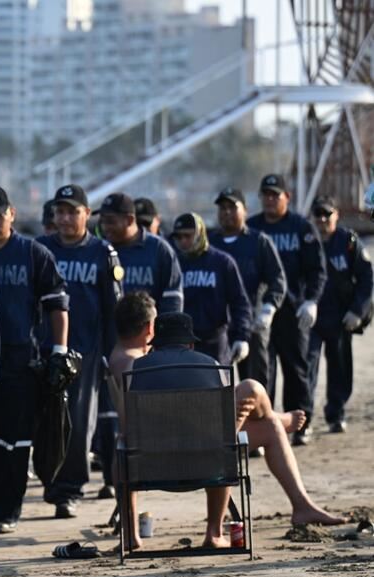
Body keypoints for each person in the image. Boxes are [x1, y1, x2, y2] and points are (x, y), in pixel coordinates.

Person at [115, 308, 343, 550]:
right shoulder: (211, 367)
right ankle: (214, 533)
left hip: (150, 467)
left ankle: (130, 535)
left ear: (156, 344)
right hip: (209, 465)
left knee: (122, 447)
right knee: (257, 428)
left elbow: (127, 428)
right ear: (191, 345)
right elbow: (224, 425)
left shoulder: (136, 371)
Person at [0, 185, 70, 533]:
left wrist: (58, 351)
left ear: (12, 214)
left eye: (0, 216)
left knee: (13, 441)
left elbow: (58, 305)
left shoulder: (33, 253)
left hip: (20, 361)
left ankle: (6, 511)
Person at [37, 184, 122, 518]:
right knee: (42, 425)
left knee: (76, 427)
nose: (66, 218)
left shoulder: (102, 252)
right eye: (60, 211)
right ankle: (47, 482)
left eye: (73, 211)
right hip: (44, 351)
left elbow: (113, 308)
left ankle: (68, 491)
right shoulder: (41, 248)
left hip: (84, 354)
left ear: (87, 215)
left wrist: (111, 353)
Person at [95, 192, 182, 497]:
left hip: (147, 346)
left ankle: (153, 471)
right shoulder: (101, 249)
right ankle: (110, 478)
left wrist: (164, 348)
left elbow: (172, 305)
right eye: (102, 220)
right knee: (108, 415)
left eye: (110, 221)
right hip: (109, 345)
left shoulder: (159, 250)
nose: (104, 226)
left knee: (147, 417)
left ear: (130, 220)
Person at [246, 174, 326, 445]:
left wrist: (312, 300)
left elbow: (317, 270)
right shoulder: (252, 228)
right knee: (260, 372)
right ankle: (262, 426)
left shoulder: (301, 228)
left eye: (275, 195)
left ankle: (300, 424)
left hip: (293, 312)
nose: (269, 199)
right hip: (261, 314)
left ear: (286, 198)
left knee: (296, 370)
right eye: (265, 195)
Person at [306, 195, 373, 433]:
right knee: (306, 367)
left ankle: (336, 414)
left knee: (340, 368)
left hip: (340, 317)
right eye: (318, 215)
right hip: (310, 318)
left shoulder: (348, 242)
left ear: (337, 215)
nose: (322, 219)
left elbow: (367, 278)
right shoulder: (305, 242)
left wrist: (358, 311)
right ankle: (303, 420)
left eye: (327, 214)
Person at [209, 187, 287, 387]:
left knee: (256, 385)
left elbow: (277, 279)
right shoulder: (210, 243)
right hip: (218, 328)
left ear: (245, 210)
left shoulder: (258, 242)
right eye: (222, 208)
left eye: (232, 207)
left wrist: (269, 308)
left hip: (253, 324)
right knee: (215, 384)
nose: (227, 212)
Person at [167, 213, 252, 366]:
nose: (183, 241)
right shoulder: (173, 263)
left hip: (215, 342)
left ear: (200, 233)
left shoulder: (222, 262)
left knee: (218, 388)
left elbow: (239, 302)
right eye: (178, 237)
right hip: (181, 343)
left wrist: (242, 337)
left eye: (187, 236)